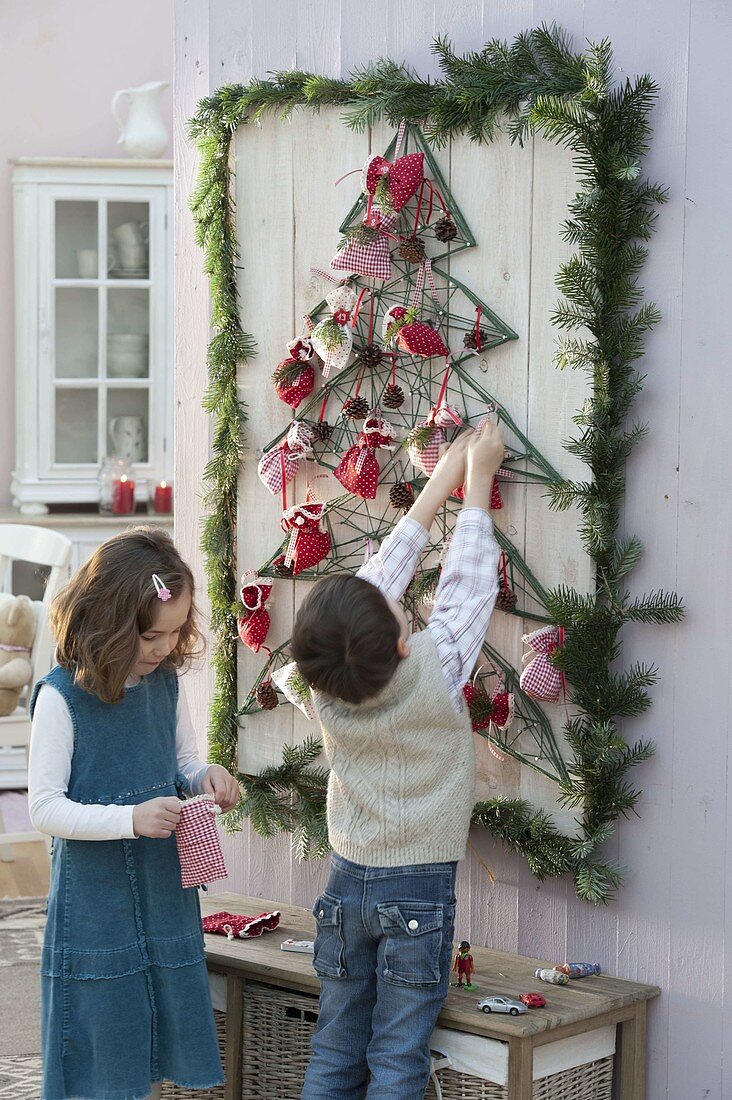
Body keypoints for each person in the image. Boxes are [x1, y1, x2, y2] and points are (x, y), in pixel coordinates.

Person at [293, 421, 505, 1099]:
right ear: (402, 642)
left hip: (346, 883)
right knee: (397, 1055)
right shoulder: (435, 672)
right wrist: (476, 486)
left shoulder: (318, 680)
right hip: (417, 888)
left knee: (335, 1046)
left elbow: (368, 592)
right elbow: (469, 588)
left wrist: (438, 485)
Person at [28, 527, 240, 1100]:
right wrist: (129, 819)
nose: (164, 648)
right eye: (151, 635)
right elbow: (45, 808)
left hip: (161, 886)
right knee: (101, 1034)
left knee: (155, 1028)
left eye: (174, 633)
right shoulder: (61, 699)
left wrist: (205, 776)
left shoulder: (165, 683)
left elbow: (183, 760)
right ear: (108, 622)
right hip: (95, 898)